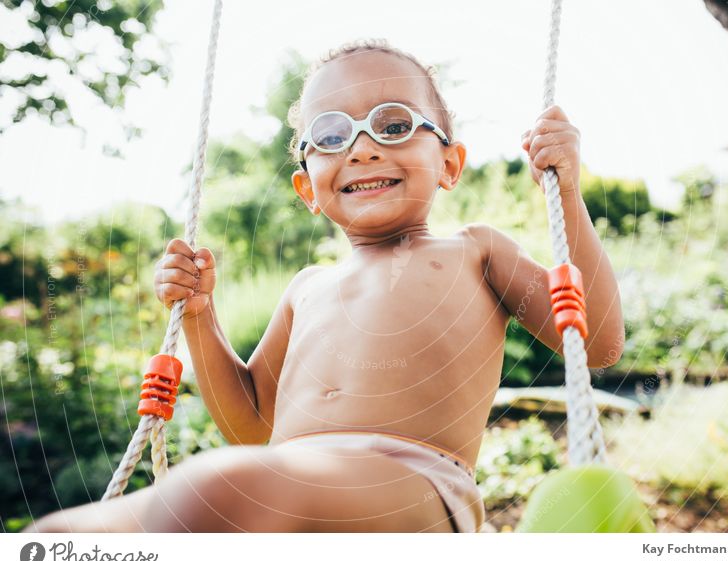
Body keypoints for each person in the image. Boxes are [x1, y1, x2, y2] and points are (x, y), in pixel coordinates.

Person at [25, 38, 624, 533]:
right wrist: (201, 315)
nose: (362, 148)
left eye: (393, 124)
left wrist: (565, 190)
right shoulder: (306, 287)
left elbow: (598, 344)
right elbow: (252, 425)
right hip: (290, 483)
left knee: (223, 489)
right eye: (332, 135)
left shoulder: (475, 251)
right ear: (308, 188)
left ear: (449, 164)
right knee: (54, 538)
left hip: (414, 490)